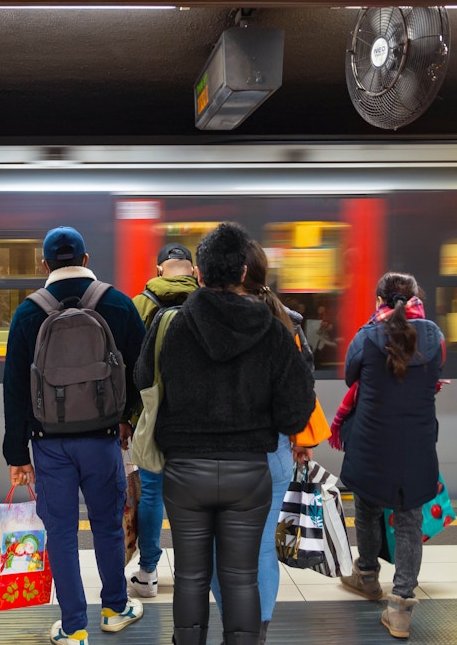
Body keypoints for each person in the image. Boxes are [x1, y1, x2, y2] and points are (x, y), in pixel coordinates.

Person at [137, 222, 314, 645]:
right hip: (248, 472)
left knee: (191, 577)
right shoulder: (275, 330)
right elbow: (295, 414)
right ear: (241, 274)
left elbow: (143, 381)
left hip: (185, 473)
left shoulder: (170, 325)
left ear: (199, 274)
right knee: (241, 577)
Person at [3, 226, 146, 645]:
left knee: (61, 531)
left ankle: (73, 627)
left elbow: (14, 388)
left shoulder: (28, 313)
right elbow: (140, 372)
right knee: (107, 525)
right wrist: (127, 419)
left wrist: (17, 454)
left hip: (49, 445)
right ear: (85, 260)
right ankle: (116, 609)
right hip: (104, 439)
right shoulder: (117, 303)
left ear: (45, 265)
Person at [207, 240, 326, 644]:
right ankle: (255, 633)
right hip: (272, 451)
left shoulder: (202, 319)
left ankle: (233, 629)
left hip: (215, 453)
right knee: (258, 550)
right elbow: (302, 389)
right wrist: (299, 436)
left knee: (217, 552)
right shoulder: (285, 321)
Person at [338, 272, 445, 639]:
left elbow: (350, 376)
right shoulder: (435, 336)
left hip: (371, 442)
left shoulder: (366, 336)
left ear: (378, 300)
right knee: (409, 520)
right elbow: (433, 375)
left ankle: (367, 576)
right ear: (416, 297)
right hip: (416, 443)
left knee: (367, 508)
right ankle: (400, 606)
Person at [126, 242, 199, 599]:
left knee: (152, 493)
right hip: (200, 421)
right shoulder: (209, 304)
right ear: (193, 271)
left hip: (152, 415)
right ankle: (192, 571)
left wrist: (129, 417)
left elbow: (131, 368)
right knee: (193, 496)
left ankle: (149, 572)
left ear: (159, 270)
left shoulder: (140, 304)